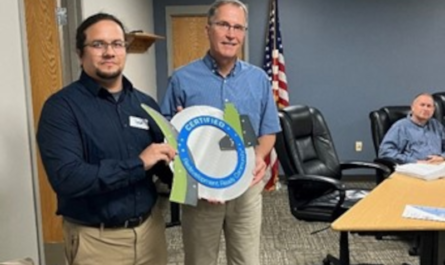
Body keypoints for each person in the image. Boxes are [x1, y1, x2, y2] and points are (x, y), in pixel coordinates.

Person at [37, 13, 175, 265]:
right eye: (98, 44)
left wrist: (193, 158)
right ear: (80, 53)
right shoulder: (61, 108)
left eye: (117, 44)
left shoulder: (145, 104)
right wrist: (138, 163)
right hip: (96, 241)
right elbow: (68, 178)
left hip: (150, 233)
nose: (109, 52)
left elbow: (165, 166)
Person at [160, 1, 281, 264]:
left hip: (245, 185)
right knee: (199, 259)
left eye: (238, 27)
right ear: (208, 29)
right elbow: (167, 134)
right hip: (201, 189)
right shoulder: (182, 78)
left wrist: (259, 157)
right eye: (224, 25)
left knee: (246, 259)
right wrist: (179, 126)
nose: (231, 34)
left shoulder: (258, 79)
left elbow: (269, 130)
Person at [378, 93, 445, 164]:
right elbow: (385, 152)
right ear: (412, 107)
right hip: (413, 167)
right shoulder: (401, 126)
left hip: (438, 166)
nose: (425, 109)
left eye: (429, 106)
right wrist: (415, 162)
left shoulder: (436, 125)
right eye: (422, 105)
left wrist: (442, 157)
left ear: (433, 110)